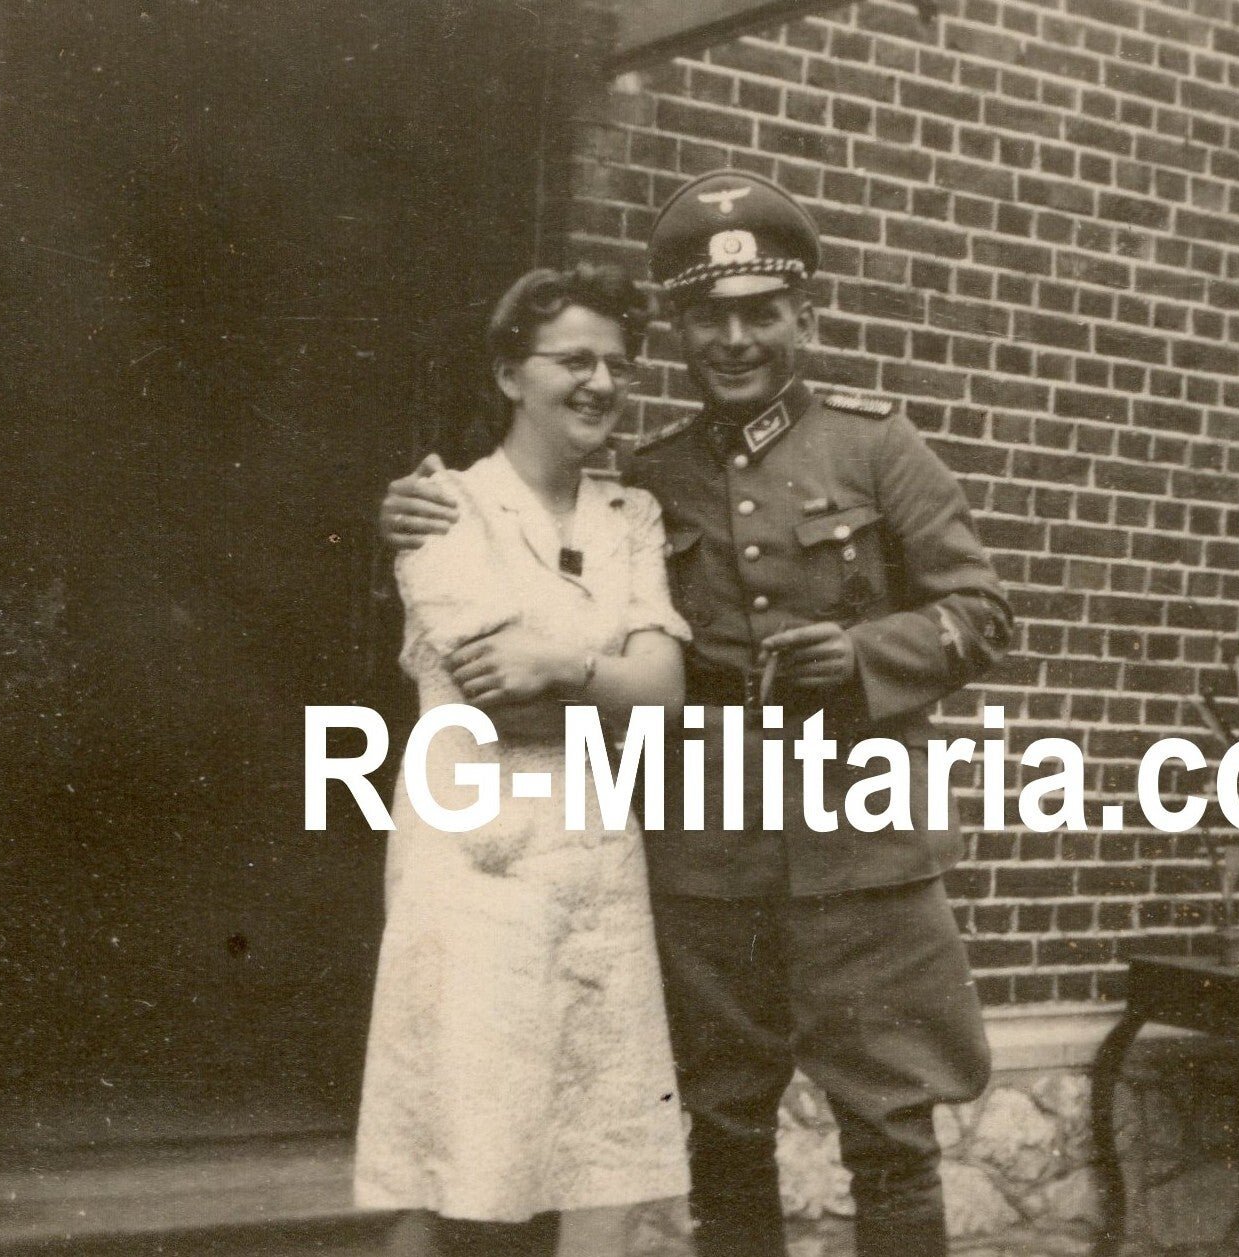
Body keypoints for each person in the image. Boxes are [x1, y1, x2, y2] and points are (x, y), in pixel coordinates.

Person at [381, 170, 1012, 1257]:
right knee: (723, 1131)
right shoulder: (643, 480)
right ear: (677, 328)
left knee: (891, 1136)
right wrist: (411, 500)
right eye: (708, 317)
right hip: (708, 861)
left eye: (759, 313)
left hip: (863, 858)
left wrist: (862, 654)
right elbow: (522, 523)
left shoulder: (874, 446)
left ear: (802, 317)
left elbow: (984, 612)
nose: (734, 339)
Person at [357, 264, 690, 1257]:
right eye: (573, 359)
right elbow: (491, 687)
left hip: (593, 852)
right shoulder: (444, 509)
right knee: (451, 1122)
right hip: (476, 847)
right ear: (510, 374)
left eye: (617, 364)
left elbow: (665, 693)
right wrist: (605, 669)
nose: (600, 382)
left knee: (596, 1136)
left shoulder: (629, 518)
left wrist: (564, 662)